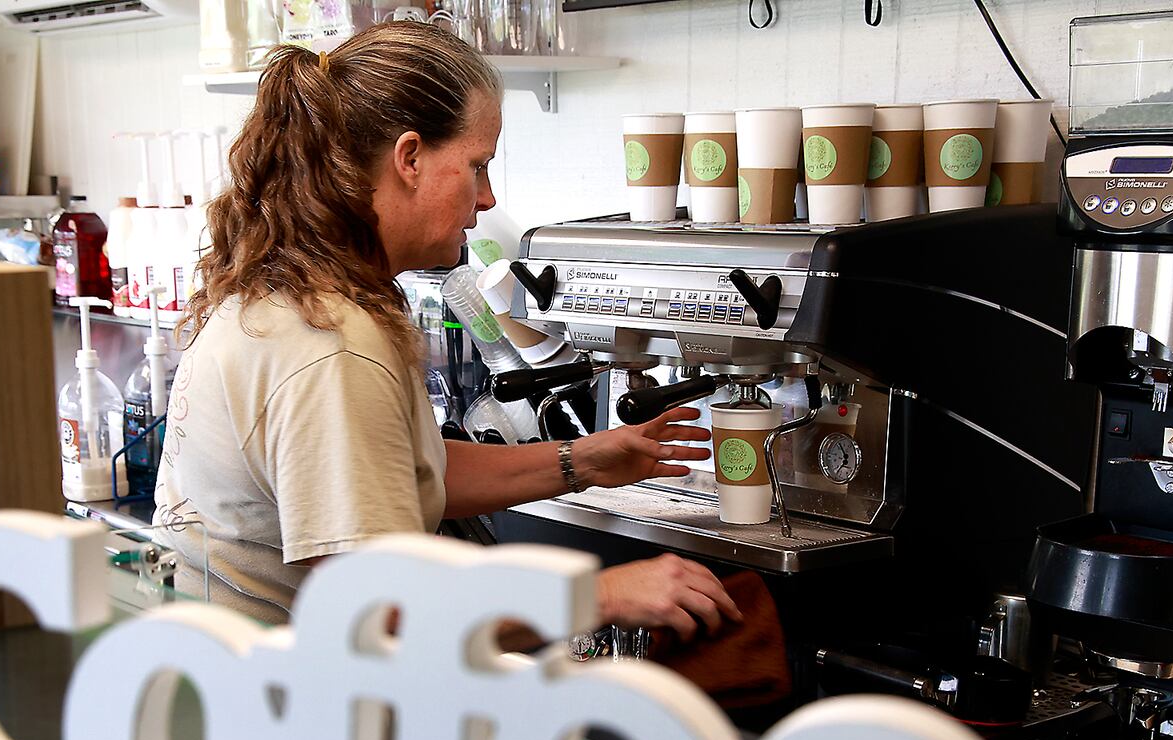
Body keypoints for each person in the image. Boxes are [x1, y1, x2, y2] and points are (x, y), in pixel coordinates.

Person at [155, 21, 741, 643]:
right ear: (409, 158)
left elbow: (398, 471)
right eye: (477, 165)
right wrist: (601, 593)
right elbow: (384, 618)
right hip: (287, 713)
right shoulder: (332, 344)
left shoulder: (294, 292)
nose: (487, 198)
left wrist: (585, 459)